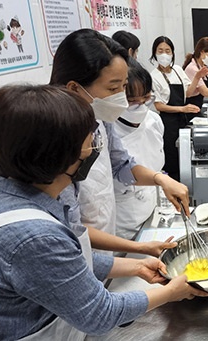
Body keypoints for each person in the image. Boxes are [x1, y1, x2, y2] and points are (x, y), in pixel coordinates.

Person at [0, 84, 207, 340]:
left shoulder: (8, 192)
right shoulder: (32, 236)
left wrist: (136, 266)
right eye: (88, 143)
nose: (94, 148)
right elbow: (99, 315)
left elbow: (64, 265)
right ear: (57, 155)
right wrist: (171, 292)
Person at [50, 29, 188, 255]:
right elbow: (71, 228)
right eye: (113, 88)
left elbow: (121, 164)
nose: (121, 99)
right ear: (74, 88)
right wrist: (138, 249)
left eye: (123, 87)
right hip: (79, 251)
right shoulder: (55, 140)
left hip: (106, 241)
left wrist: (159, 179)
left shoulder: (100, 119)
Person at [113, 59, 165, 239]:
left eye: (146, 98)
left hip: (152, 213)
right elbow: (124, 169)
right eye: (132, 101)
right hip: (123, 224)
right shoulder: (108, 130)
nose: (140, 106)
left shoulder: (154, 122)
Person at [149, 36, 204, 180]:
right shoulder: (153, 77)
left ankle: (186, 184)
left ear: (172, 53)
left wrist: (197, 77)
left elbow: (188, 93)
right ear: (154, 53)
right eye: (160, 51)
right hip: (167, 123)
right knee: (172, 158)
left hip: (182, 120)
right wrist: (182, 109)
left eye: (167, 51)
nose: (164, 54)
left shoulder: (178, 70)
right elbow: (159, 105)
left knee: (185, 156)